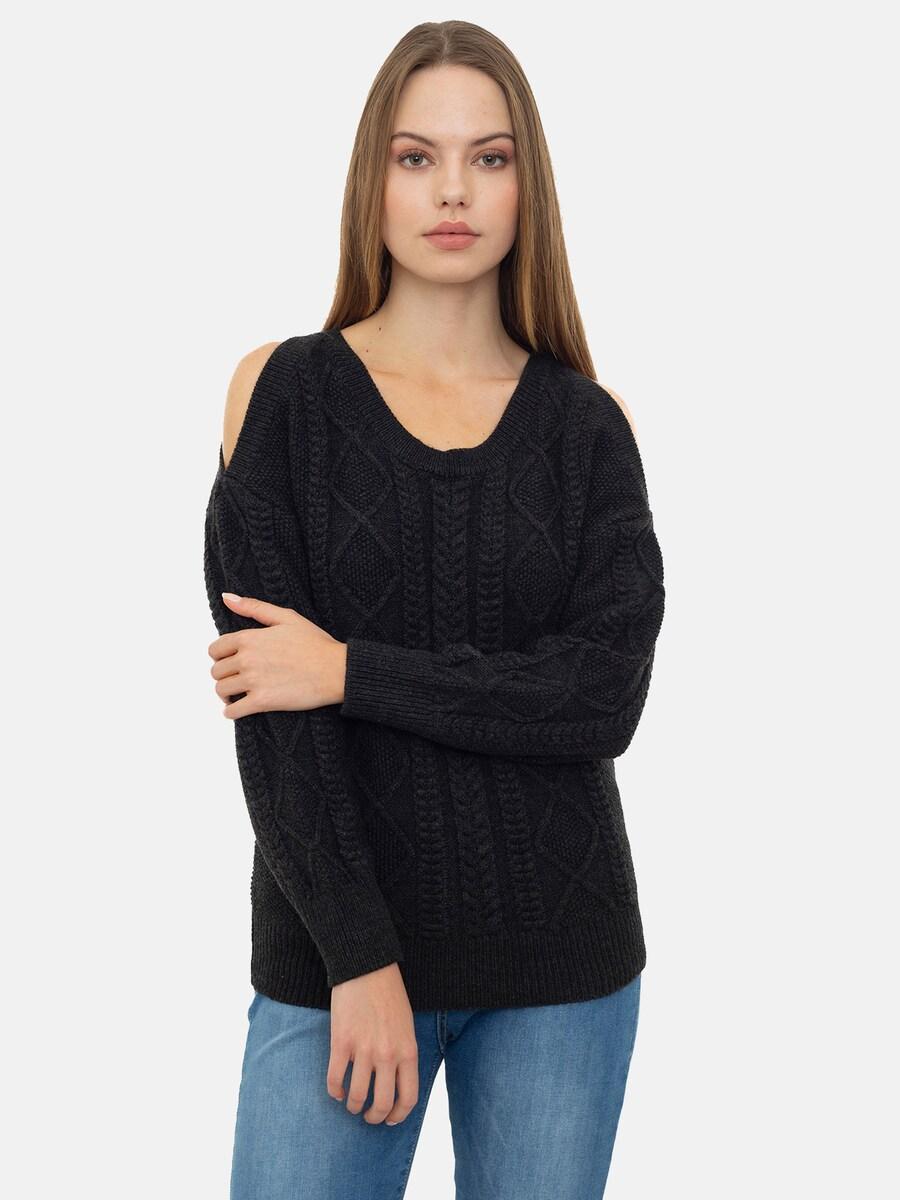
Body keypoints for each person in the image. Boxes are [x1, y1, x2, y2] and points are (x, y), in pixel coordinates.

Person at [204, 19, 666, 1200]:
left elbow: (600, 697)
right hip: (335, 959)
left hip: (563, 965)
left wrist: (352, 670)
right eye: (417, 157)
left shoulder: (588, 427)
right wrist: (360, 958)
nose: (452, 189)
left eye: (488, 157)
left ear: (525, 186)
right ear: (375, 179)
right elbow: (274, 718)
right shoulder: (281, 394)